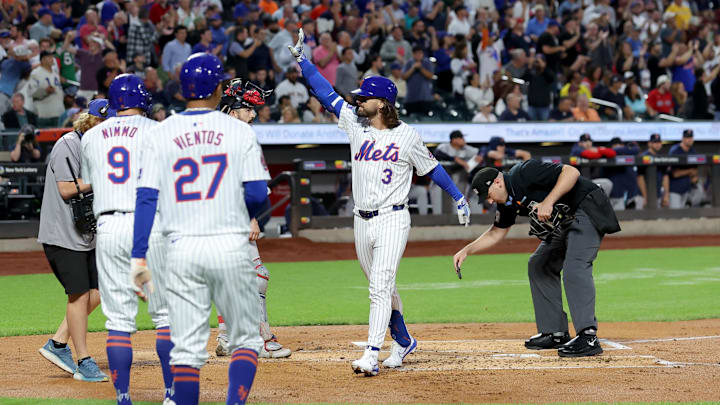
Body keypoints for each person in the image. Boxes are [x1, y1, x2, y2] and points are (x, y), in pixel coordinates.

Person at [288, 29, 470, 376]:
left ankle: (372, 354)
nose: (358, 101)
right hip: (361, 219)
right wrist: (304, 62)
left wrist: (458, 196)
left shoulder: (407, 136)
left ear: (383, 104)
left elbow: (432, 169)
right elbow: (327, 95)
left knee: (380, 285)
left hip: (393, 218)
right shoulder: (357, 127)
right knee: (382, 285)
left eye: (364, 98)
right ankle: (402, 339)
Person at [130, 53, 267, 405]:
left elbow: (146, 199)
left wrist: (139, 256)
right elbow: (256, 194)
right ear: (220, 88)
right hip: (228, 245)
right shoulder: (240, 130)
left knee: (187, 349)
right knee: (246, 340)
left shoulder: (160, 133)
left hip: (180, 249)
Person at [454, 161, 620, 358]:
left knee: (575, 268)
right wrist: (467, 250)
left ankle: (588, 336)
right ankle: (555, 332)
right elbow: (496, 233)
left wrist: (548, 201)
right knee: (539, 264)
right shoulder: (507, 202)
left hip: (588, 206)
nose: (489, 201)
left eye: (488, 195)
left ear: (497, 182)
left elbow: (571, 172)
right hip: (567, 220)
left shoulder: (523, 173)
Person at [80, 74, 174, 404]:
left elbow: (90, 181)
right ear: (141, 99)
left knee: (118, 320)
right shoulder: (158, 131)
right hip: (150, 226)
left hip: (108, 229)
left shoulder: (91, 137)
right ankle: (171, 394)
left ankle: (123, 398)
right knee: (164, 315)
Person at [37, 100, 114, 383]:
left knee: (101, 289)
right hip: (62, 234)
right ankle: (83, 361)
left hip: (85, 234)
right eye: (102, 123)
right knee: (79, 295)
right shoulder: (68, 144)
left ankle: (57, 343)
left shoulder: (101, 149)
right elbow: (67, 189)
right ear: (90, 121)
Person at [214, 78, 292, 360]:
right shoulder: (239, 136)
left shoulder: (210, 131)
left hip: (205, 218)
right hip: (232, 215)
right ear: (233, 111)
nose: (253, 114)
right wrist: (250, 217)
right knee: (257, 276)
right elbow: (249, 185)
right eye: (248, 109)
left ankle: (225, 337)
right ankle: (262, 339)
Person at [604, 137, 641, 210]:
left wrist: (617, 150)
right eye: (616, 145)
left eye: (620, 144)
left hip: (630, 195)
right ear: (611, 146)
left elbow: (636, 149)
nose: (618, 146)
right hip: (613, 196)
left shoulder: (627, 155)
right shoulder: (607, 155)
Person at [29, 51, 64, 128]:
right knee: (45, 139)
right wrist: (45, 91)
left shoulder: (55, 73)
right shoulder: (35, 73)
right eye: (49, 57)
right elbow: (32, 93)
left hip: (58, 112)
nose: (52, 59)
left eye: (52, 57)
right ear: (42, 60)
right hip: (44, 114)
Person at [637, 134, 670, 208]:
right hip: (642, 196)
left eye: (659, 142)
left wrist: (666, 195)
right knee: (641, 217)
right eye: (655, 142)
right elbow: (640, 177)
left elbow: (665, 176)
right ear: (649, 143)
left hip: (657, 195)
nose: (658, 144)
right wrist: (645, 197)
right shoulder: (643, 157)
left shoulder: (662, 158)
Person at [668, 129, 698, 209]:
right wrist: (689, 171)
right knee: (675, 216)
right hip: (675, 190)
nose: (690, 140)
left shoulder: (693, 151)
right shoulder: (675, 150)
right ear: (683, 138)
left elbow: (694, 172)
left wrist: (691, 174)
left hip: (687, 190)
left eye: (691, 137)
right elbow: (674, 173)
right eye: (687, 137)